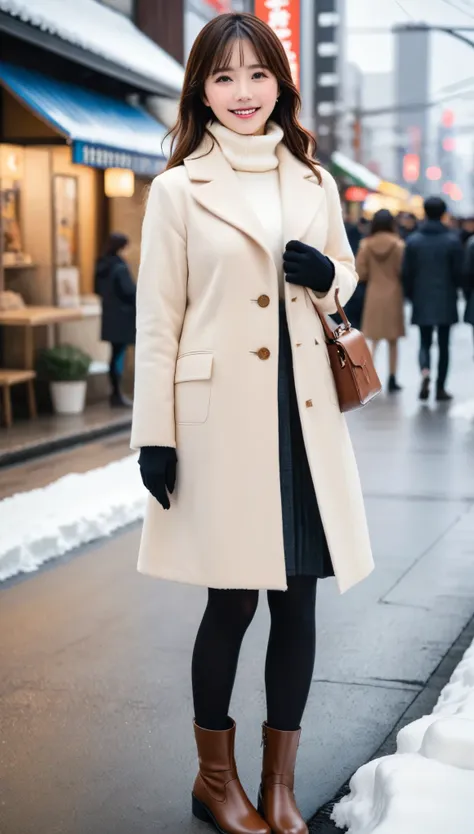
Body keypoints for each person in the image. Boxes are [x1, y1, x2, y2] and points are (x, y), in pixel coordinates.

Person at [131, 13, 373, 834]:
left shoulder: (313, 181)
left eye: (257, 74)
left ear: (281, 82)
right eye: (224, 77)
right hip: (221, 424)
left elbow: (342, 278)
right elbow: (159, 321)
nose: (243, 93)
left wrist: (328, 272)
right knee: (231, 603)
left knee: (298, 605)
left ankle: (278, 787)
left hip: (301, 420)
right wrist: (153, 434)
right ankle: (214, 781)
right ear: (202, 89)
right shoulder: (177, 189)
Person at [402, 196, 464, 402]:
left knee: (424, 342)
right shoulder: (452, 240)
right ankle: (440, 388)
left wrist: (411, 295)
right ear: (443, 213)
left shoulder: (413, 241)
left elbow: (406, 273)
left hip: (421, 296)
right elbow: (459, 273)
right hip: (445, 297)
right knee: (445, 345)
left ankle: (425, 371)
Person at [356, 209, 405, 393]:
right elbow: (402, 270)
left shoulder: (366, 245)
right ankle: (392, 377)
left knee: (373, 339)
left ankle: (370, 377)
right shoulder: (399, 245)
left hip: (374, 293)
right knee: (393, 341)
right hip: (394, 294)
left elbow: (360, 273)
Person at [95, 233, 136, 408]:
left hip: (110, 315)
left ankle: (115, 392)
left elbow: (98, 290)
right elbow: (129, 291)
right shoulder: (119, 266)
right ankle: (117, 393)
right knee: (119, 356)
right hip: (123, 316)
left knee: (115, 354)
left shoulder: (101, 265)